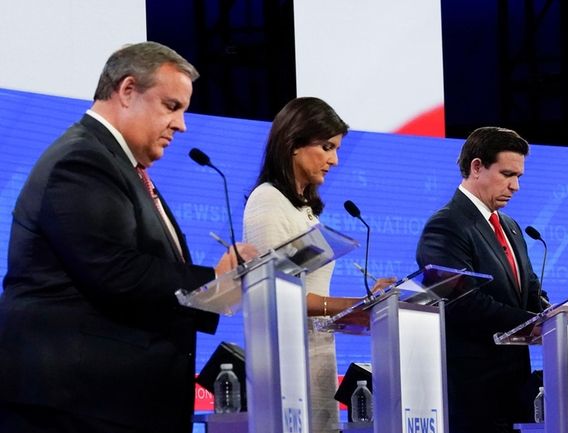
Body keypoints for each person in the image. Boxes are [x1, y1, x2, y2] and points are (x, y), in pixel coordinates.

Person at [0, 42, 256, 433]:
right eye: (172, 106)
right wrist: (214, 281)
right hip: (77, 404)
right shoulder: (82, 160)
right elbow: (113, 271)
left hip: (110, 402)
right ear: (127, 91)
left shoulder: (115, 162)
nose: (182, 124)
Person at [243, 96, 395, 433]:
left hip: (316, 356)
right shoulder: (268, 200)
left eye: (336, 148)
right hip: (286, 365)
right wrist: (353, 306)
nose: (335, 160)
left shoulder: (304, 210)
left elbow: (308, 290)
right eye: (326, 147)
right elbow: (274, 296)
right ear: (293, 143)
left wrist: (367, 302)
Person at [416, 126, 546, 433]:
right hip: (470, 392)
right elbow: (463, 303)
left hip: (513, 390)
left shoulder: (511, 226)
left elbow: (529, 290)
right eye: (507, 174)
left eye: (519, 177)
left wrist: (552, 316)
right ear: (477, 167)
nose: (515, 186)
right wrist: (534, 323)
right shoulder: (446, 225)